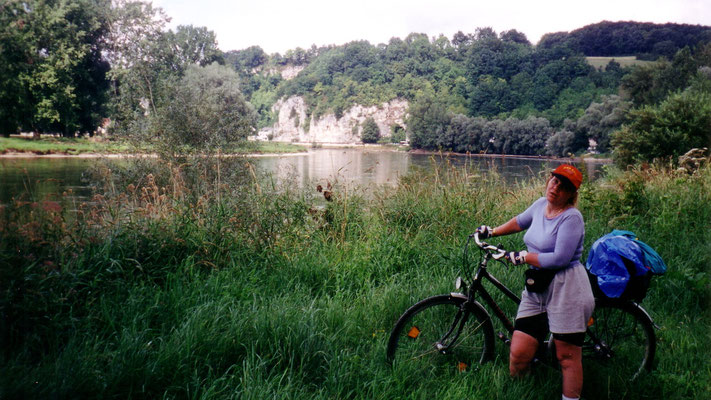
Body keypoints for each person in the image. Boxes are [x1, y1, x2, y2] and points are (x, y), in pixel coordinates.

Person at [477, 164, 594, 400]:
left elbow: (560, 258)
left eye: (564, 186)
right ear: (549, 180)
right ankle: (525, 393)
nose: (556, 188)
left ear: (572, 194)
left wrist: (525, 256)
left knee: (566, 357)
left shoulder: (572, 218)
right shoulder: (541, 205)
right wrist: (492, 232)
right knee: (519, 355)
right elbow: (520, 221)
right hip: (537, 286)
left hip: (566, 288)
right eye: (555, 181)